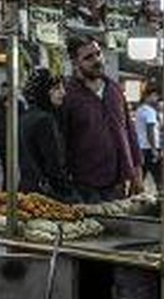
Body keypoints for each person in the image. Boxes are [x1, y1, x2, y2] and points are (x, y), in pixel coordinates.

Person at [60, 35, 142, 203]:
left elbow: (129, 132)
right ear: (75, 63)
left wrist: (136, 171)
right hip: (85, 185)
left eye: (98, 54)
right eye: (88, 58)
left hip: (119, 182)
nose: (97, 60)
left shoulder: (114, 90)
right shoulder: (68, 95)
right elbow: (60, 142)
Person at [19, 69, 75, 201]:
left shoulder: (25, 116)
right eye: (56, 88)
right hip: (45, 196)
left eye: (62, 87)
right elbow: (54, 166)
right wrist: (69, 195)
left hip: (27, 190)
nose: (63, 92)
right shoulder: (45, 120)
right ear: (43, 91)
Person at [0, 81, 23, 191]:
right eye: (1, 90)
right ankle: (6, 189)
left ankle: (15, 189)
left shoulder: (19, 104)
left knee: (15, 166)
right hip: (2, 141)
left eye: (4, 89)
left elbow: (24, 122)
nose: (2, 92)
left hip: (15, 141)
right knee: (5, 167)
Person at [135, 85, 162, 191]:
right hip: (149, 148)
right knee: (159, 176)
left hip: (141, 146)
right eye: (154, 96)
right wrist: (154, 148)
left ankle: (136, 195)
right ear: (148, 96)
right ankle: (162, 196)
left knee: (141, 174)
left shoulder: (139, 110)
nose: (156, 99)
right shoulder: (150, 111)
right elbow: (150, 130)